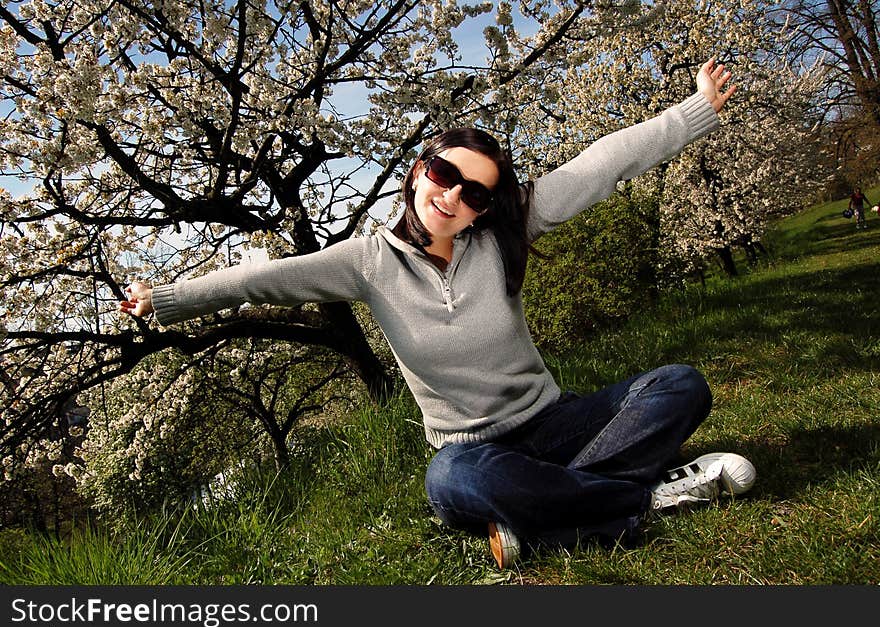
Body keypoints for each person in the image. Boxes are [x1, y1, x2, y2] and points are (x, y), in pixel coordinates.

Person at [120, 58, 756, 569]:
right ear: (418, 171)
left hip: (552, 424)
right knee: (451, 482)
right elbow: (265, 280)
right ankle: (644, 496)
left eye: (474, 190)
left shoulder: (505, 234)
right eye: (444, 174)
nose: (452, 195)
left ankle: (557, 519)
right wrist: (172, 298)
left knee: (678, 386)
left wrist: (694, 110)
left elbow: (603, 163)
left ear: (486, 206)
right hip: (472, 450)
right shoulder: (367, 263)